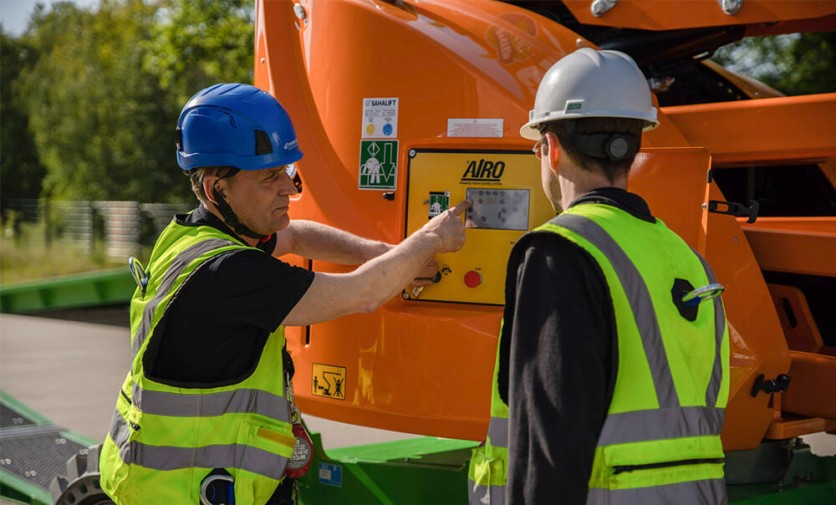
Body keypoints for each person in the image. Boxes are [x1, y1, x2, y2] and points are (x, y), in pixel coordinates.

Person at [98, 83, 469, 505]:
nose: (288, 189)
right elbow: (362, 294)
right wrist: (428, 240)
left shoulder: (192, 235)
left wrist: (381, 252)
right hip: (181, 492)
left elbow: (294, 236)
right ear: (218, 188)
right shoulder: (228, 272)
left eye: (287, 172)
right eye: (269, 177)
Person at [468, 48, 730, 504]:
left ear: (550, 148)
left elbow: (549, 444)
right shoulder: (684, 256)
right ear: (635, 145)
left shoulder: (559, 252)